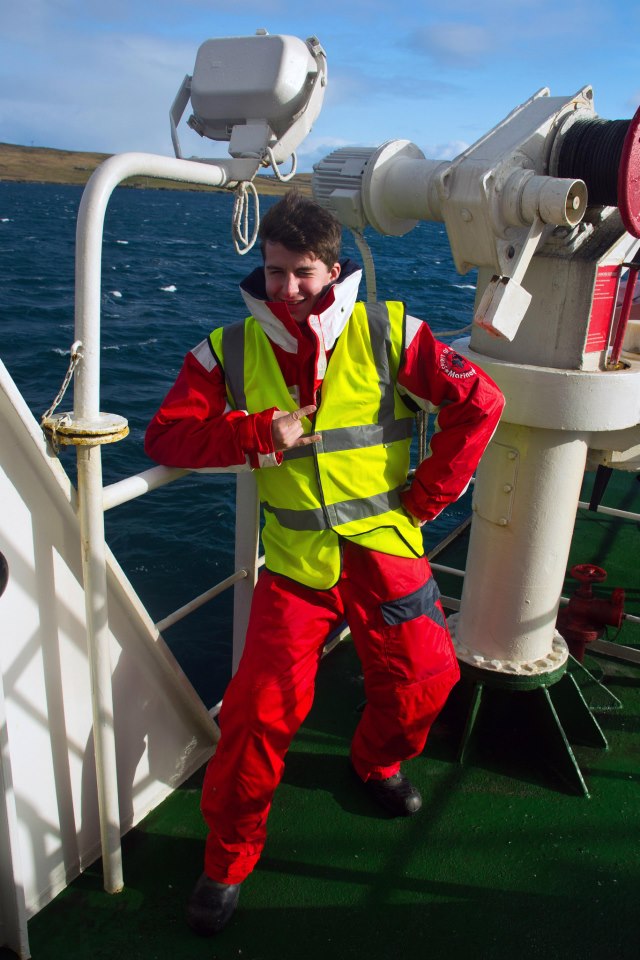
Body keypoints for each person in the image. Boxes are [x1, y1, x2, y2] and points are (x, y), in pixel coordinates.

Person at [144, 191, 505, 935]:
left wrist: (428, 498)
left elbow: (480, 403)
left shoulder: (390, 331)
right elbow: (167, 437)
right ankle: (227, 860)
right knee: (256, 716)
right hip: (296, 568)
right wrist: (255, 433)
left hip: (386, 548)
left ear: (333, 270)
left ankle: (376, 761)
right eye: (275, 271)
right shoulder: (230, 349)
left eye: (302, 273)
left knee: (427, 679)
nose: (286, 289)